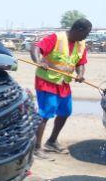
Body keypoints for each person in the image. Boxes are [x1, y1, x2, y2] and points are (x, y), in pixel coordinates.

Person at [31, 18, 92, 158]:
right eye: (86, 33)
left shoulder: (81, 44)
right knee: (46, 113)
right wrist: (39, 60)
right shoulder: (56, 38)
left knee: (65, 112)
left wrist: (80, 74)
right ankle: (36, 147)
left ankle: (51, 142)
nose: (86, 37)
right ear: (78, 30)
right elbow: (35, 47)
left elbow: (80, 62)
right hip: (46, 81)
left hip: (63, 82)